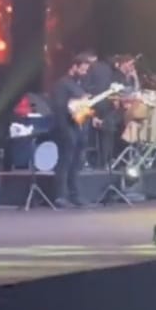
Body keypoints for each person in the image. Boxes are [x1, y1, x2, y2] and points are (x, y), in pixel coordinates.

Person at [51, 53, 92, 207]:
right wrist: (76, 105)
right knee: (65, 161)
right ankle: (60, 195)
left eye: (86, 70)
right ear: (74, 67)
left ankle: (75, 194)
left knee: (76, 162)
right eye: (82, 69)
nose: (84, 73)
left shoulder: (79, 85)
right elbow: (60, 107)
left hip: (79, 127)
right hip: (66, 128)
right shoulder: (62, 84)